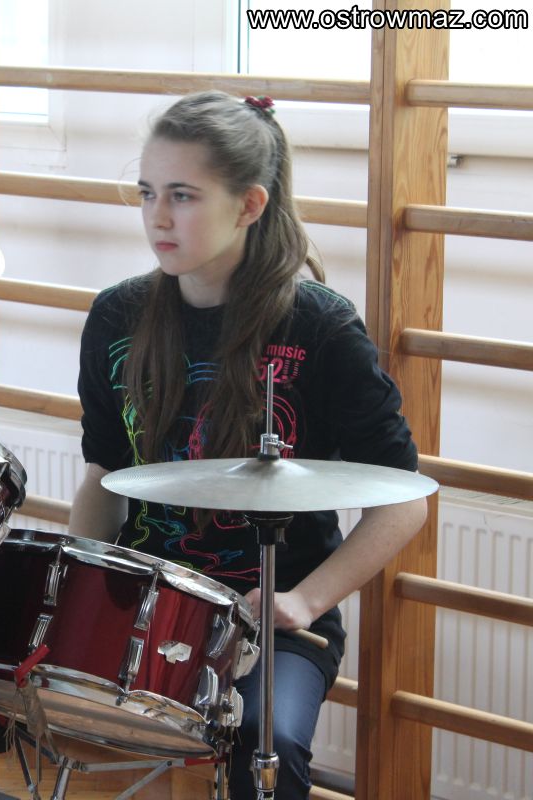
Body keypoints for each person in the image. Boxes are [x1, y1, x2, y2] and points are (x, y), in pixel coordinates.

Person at [69, 90, 428, 797]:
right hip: (143, 599)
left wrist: (305, 600)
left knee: (270, 741)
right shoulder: (117, 315)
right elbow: (104, 473)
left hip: (274, 618)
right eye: (147, 193)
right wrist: (78, 584)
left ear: (250, 205)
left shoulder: (320, 328)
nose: (157, 217)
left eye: (182, 195)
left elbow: (403, 501)